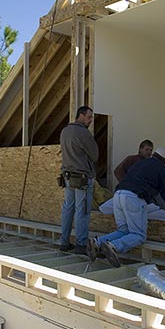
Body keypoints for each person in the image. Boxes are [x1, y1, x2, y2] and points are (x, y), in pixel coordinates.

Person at [86, 147, 165, 267]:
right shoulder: (161, 168)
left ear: (154, 154)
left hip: (118, 196)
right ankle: (113, 246)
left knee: (123, 230)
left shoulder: (140, 163)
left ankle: (97, 242)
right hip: (133, 198)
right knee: (138, 235)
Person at [59, 106, 99, 255]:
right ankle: (81, 244)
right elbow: (95, 155)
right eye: (89, 117)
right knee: (82, 211)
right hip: (82, 177)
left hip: (68, 176)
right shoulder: (83, 133)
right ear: (81, 116)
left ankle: (64, 242)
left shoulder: (65, 131)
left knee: (68, 209)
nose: (90, 120)